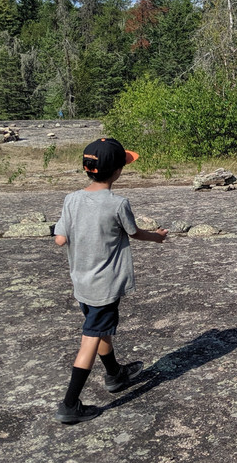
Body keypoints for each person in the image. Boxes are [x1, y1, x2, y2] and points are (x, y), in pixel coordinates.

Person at [52, 137, 167, 424]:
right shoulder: (118, 204)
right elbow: (134, 232)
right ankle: (70, 404)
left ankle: (115, 374)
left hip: (81, 282)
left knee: (101, 329)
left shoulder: (71, 199)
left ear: (88, 169)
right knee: (90, 338)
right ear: (117, 171)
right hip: (105, 286)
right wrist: (158, 236)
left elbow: (60, 239)